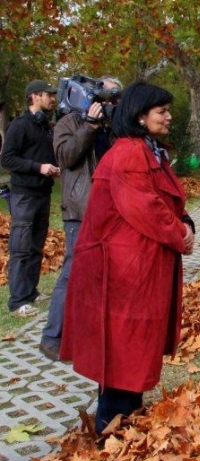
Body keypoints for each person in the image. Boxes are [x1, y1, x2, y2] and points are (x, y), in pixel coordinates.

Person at [59, 81, 196, 434]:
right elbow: (147, 209)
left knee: (133, 345)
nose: (168, 117)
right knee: (123, 347)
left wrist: (186, 221)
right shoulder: (130, 154)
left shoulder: (149, 150)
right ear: (139, 117)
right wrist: (181, 235)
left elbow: (164, 199)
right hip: (122, 272)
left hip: (137, 267)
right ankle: (111, 432)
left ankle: (128, 421)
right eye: (161, 111)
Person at [38, 76, 122, 361]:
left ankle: (89, 333)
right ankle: (52, 337)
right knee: (72, 273)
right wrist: (89, 125)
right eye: (106, 97)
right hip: (80, 211)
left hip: (110, 210)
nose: (108, 103)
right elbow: (66, 157)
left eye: (112, 99)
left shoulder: (112, 127)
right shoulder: (70, 122)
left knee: (104, 275)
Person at [0, 79, 60, 317]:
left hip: (43, 194)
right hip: (24, 196)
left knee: (36, 247)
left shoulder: (45, 126)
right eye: (49, 95)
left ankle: (31, 292)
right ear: (35, 96)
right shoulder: (19, 125)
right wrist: (38, 167)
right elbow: (7, 159)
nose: (53, 99)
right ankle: (16, 302)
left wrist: (54, 168)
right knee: (20, 248)